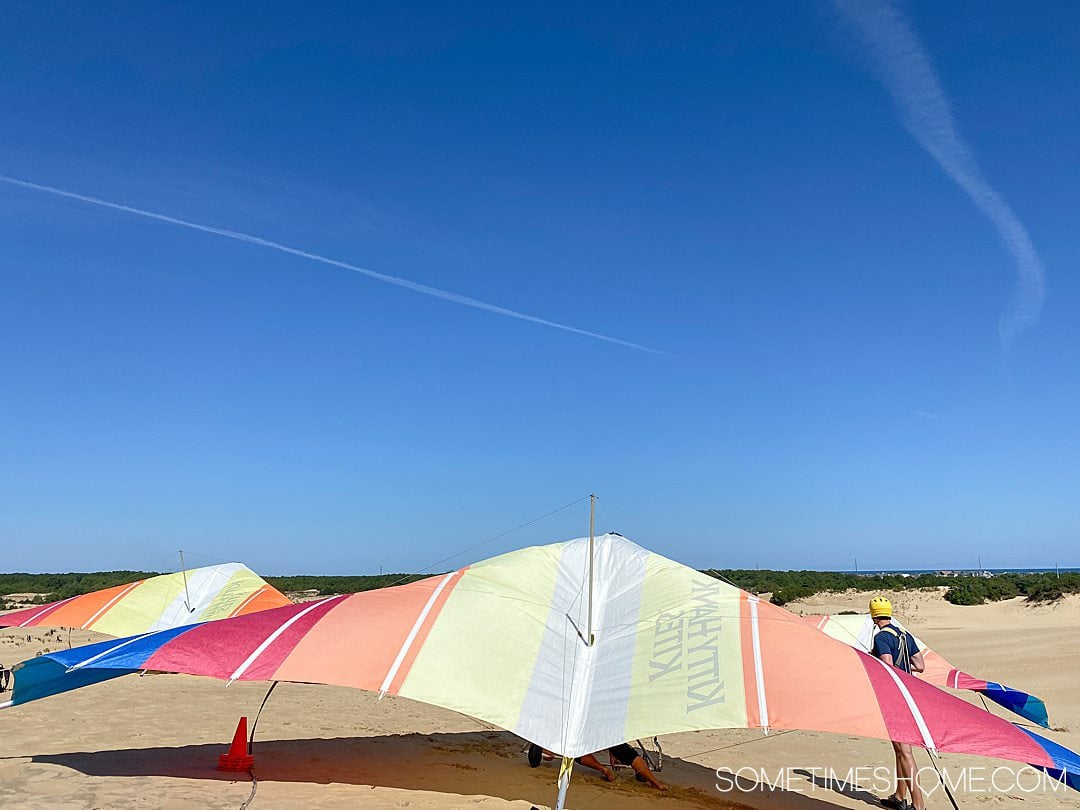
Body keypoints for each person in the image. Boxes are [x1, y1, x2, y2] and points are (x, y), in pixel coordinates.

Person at [869, 596, 925, 810]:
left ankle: (918, 805)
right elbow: (920, 665)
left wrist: (872, 658)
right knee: (899, 750)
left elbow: (887, 666)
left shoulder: (882, 637)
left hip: (895, 699)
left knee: (905, 751)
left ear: (873, 615)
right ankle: (899, 797)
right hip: (909, 695)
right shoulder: (904, 634)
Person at [527, 741, 666, 791]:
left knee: (575, 751)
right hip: (605, 724)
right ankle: (655, 782)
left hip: (590, 726)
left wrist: (548, 750)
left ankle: (603, 769)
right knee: (626, 752)